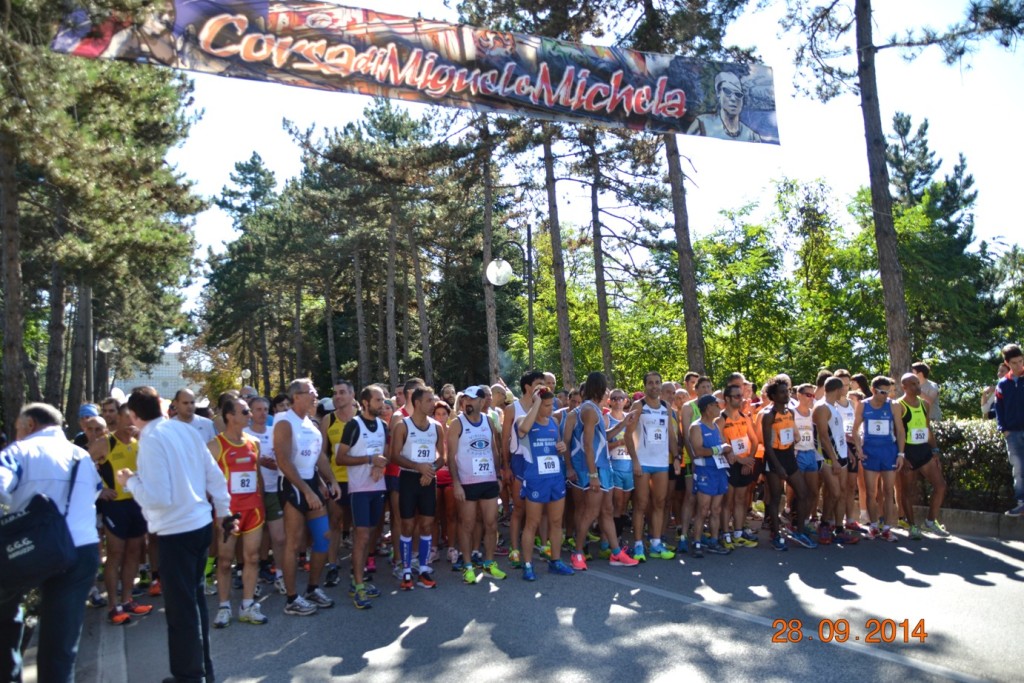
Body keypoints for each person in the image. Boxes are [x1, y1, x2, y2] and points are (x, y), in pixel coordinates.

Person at [116, 386, 232, 683]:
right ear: (162, 406)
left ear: (133, 414)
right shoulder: (185, 431)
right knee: (194, 603)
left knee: (182, 610)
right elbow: (214, 475)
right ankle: (202, 670)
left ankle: (189, 676)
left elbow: (158, 497)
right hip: (199, 524)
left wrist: (130, 483)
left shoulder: (151, 439)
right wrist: (224, 511)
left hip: (176, 531)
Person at [0, 403, 102, 683]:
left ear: (30, 425)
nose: (17, 434)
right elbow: (94, 492)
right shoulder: (81, 455)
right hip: (80, 550)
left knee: (7, 627)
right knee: (61, 647)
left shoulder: (18, 452)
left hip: (29, 550)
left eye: (18, 428)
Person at [273, 378, 339, 615]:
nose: (315, 395)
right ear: (296, 396)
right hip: (292, 484)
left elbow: (319, 456)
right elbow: (283, 460)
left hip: (311, 482)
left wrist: (329, 480)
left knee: (323, 539)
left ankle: (312, 588)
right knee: (294, 543)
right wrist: (306, 490)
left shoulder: (311, 424)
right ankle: (292, 599)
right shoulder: (284, 422)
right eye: (311, 392)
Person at [565, 372, 638, 570]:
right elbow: (588, 445)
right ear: (599, 387)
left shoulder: (595, 409)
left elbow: (602, 438)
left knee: (607, 510)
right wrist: (593, 475)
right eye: (605, 388)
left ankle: (616, 553)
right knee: (591, 512)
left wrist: (624, 424)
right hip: (594, 468)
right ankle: (577, 553)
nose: (608, 393)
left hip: (603, 466)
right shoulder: (588, 409)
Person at [90, 404, 154, 624]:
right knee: (116, 553)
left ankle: (127, 600)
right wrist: (98, 491)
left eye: (134, 419)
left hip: (137, 504)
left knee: (134, 552)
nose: (130, 424)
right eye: (127, 419)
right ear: (118, 419)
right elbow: (82, 468)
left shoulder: (141, 443)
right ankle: (113, 606)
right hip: (115, 506)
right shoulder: (104, 443)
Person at [210, 397, 268, 627]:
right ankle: (224, 607)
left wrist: (261, 499)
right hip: (228, 513)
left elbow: (258, 474)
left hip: (253, 509)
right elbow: (205, 479)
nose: (249, 415)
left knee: (252, 558)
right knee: (225, 561)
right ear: (229, 416)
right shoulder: (215, 445)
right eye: (244, 411)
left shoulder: (254, 442)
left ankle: (247, 604)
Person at [336, 385, 389, 608]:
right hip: (359, 489)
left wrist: (380, 466)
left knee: (372, 536)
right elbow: (340, 458)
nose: (382, 403)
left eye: (383, 399)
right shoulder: (353, 426)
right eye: (378, 400)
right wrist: (369, 460)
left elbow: (384, 454)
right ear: (365, 403)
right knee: (362, 537)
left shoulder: (384, 425)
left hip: (378, 487)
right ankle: (358, 585)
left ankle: (359, 577)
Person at [448, 386, 508, 584]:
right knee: (467, 524)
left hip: (488, 479)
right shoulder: (457, 423)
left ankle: (489, 563)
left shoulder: (489, 421)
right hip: (467, 481)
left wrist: (498, 476)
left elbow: (495, 450)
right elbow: (451, 457)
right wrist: (456, 483)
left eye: (472, 399)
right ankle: (467, 565)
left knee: (491, 523)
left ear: (482, 402)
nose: (468, 402)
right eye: (465, 399)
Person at [515, 386, 574, 580]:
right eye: (547, 405)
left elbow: (557, 445)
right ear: (537, 405)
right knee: (533, 523)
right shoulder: (524, 421)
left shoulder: (554, 422)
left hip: (555, 478)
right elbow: (523, 430)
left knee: (556, 522)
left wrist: (562, 447)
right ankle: (528, 564)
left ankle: (555, 561)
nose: (551, 408)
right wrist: (537, 401)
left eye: (552, 404)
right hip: (535, 479)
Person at [389, 385, 444, 590]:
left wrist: (429, 470)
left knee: (427, 524)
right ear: (418, 402)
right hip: (409, 479)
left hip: (428, 479)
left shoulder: (436, 427)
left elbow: (442, 457)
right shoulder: (403, 426)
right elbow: (394, 456)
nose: (433, 404)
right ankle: (405, 569)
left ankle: (423, 568)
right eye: (429, 400)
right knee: (407, 526)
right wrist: (417, 467)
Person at [625, 371, 677, 561]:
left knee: (660, 503)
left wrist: (677, 456)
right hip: (643, 463)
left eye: (657, 383)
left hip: (661, 463)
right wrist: (635, 460)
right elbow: (627, 434)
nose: (654, 386)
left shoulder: (666, 407)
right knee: (640, 504)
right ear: (645, 386)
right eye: (650, 383)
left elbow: (671, 434)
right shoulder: (638, 406)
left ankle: (655, 543)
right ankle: (638, 545)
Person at [852, 376, 907, 541]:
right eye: (884, 392)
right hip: (870, 452)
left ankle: (888, 528)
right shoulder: (863, 405)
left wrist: (901, 454)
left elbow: (900, 431)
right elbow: (855, 430)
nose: (887, 395)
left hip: (888, 452)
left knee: (889, 491)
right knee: (871, 491)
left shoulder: (894, 406)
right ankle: (874, 525)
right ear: (874, 390)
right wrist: (859, 449)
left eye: (889, 392)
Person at [896, 373, 950, 538]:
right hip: (908, 453)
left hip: (924, 451)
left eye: (917, 383)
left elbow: (927, 430)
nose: (917, 387)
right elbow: (896, 432)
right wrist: (901, 455)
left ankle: (930, 522)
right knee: (907, 491)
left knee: (940, 486)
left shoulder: (925, 405)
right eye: (912, 384)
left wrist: (935, 451)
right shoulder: (899, 405)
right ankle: (911, 525)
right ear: (904, 387)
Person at [502, 371, 547, 569]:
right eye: (538, 383)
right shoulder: (513, 408)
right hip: (519, 460)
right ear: (528, 387)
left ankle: (544, 545)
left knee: (541, 506)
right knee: (519, 508)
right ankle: (514, 548)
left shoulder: (543, 406)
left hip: (538, 460)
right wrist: (505, 466)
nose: (543, 387)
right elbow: (504, 439)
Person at [245, 397, 287, 595]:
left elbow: (286, 455)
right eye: (258, 409)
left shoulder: (274, 431)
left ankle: (280, 576)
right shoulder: (244, 434)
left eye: (265, 409)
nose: (263, 413)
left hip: (274, 489)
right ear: (250, 412)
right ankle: (251, 580)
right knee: (253, 540)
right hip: (251, 493)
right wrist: (261, 461)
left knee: (279, 538)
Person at [688, 395, 735, 556]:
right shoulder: (697, 427)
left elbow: (724, 445)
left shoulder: (715, 426)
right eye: (716, 404)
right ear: (708, 407)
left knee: (716, 509)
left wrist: (730, 452)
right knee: (703, 509)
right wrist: (720, 449)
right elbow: (698, 450)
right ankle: (697, 542)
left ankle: (714, 541)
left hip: (719, 471)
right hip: (705, 472)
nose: (719, 407)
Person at [320, 380, 355, 588]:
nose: (337, 396)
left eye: (342, 392)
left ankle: (357, 565)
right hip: (337, 479)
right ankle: (332, 565)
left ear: (352, 395)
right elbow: (323, 453)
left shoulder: (361, 418)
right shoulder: (328, 419)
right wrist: (327, 479)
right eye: (335, 393)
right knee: (334, 522)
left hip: (359, 480)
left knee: (359, 525)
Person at [687, 71, 762, 142]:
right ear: (718, 93)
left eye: (738, 94)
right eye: (727, 91)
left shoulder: (751, 136)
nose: (733, 99)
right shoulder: (702, 123)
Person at [995, 344, 1024, 516]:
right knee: (1019, 470)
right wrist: (1003, 429)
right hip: (1012, 433)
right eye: (1014, 363)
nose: (1019, 365)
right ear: (1007, 363)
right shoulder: (1003, 383)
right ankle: (1021, 504)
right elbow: (999, 408)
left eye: (1021, 361)